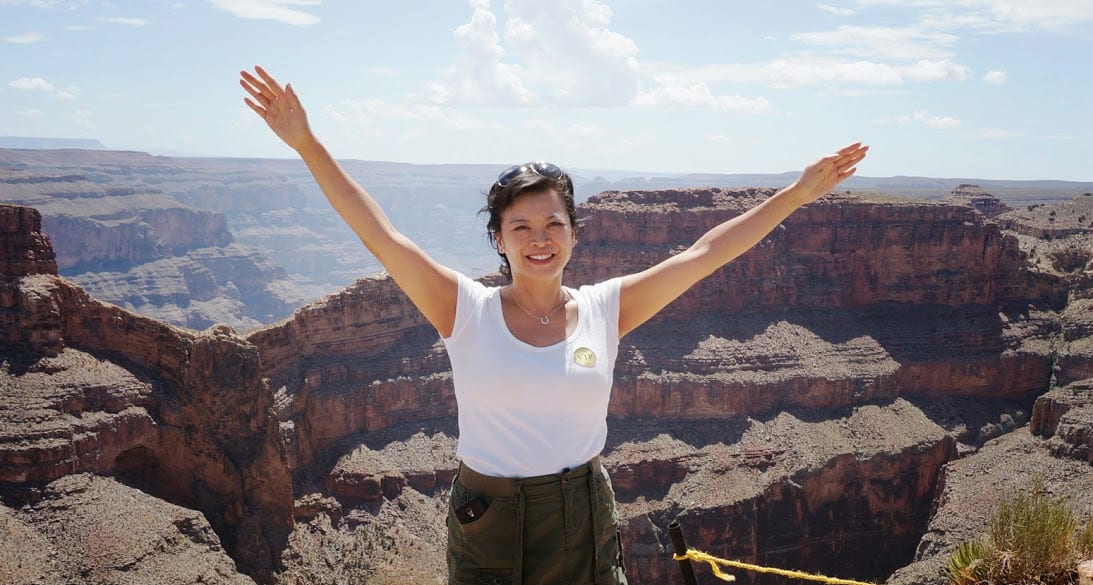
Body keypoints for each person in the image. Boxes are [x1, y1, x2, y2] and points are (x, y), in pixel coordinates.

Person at [240, 65, 867, 585]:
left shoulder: (605, 309)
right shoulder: (464, 308)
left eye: (553, 225)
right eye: (521, 228)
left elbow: (703, 255)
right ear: (499, 240)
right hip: (491, 518)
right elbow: (381, 235)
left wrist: (796, 193)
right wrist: (307, 143)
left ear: (573, 233)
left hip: (582, 512)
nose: (539, 240)